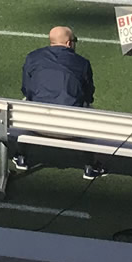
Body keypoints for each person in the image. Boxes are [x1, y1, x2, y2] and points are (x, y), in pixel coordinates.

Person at [15, 27, 102, 179]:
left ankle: (22, 156)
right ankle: (90, 165)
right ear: (69, 43)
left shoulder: (33, 57)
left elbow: (26, 90)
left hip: (35, 123)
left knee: (26, 103)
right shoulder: (82, 63)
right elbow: (88, 96)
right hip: (69, 127)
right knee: (90, 111)